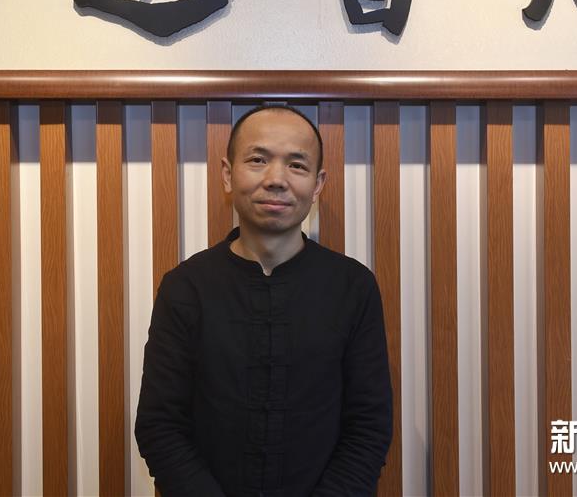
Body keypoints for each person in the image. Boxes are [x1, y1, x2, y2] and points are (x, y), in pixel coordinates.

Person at [135, 104, 393, 496]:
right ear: (228, 174)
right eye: (258, 160)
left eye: (297, 165)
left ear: (318, 184)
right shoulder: (185, 287)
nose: (276, 180)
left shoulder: (353, 287)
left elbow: (369, 427)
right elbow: (160, 424)